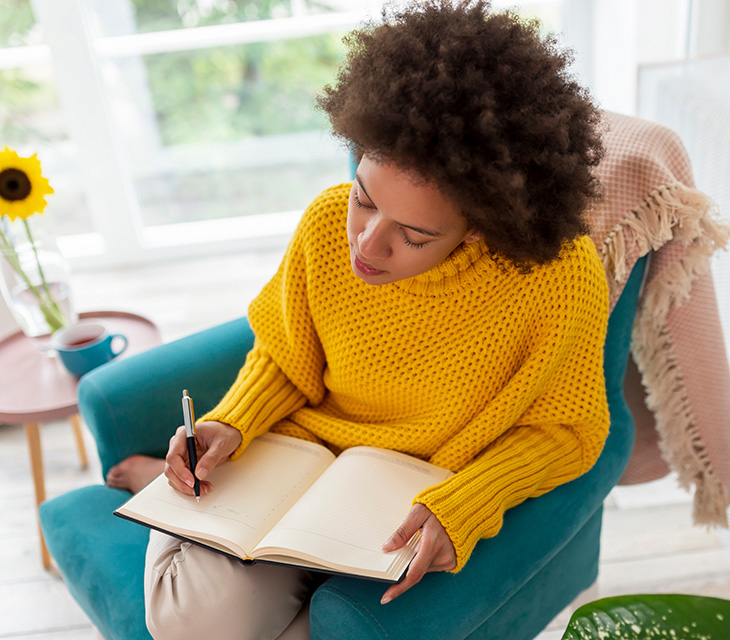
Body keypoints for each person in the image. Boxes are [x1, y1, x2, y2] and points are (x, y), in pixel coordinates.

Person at [106, 1, 610, 638]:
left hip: (411, 490)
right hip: (294, 458)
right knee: (189, 620)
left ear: (480, 227)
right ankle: (170, 487)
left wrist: (469, 504)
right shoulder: (323, 225)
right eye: (364, 201)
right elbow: (285, 357)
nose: (366, 247)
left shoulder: (557, 278)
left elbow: (568, 430)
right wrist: (230, 422)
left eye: (415, 235)